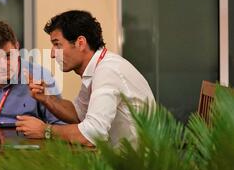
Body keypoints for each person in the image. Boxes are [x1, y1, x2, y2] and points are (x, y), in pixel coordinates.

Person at [16, 10, 155, 148]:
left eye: (57, 44)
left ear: (80, 43)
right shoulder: (96, 67)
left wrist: (45, 130)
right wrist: (46, 98)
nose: (52, 54)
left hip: (140, 166)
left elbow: (93, 134)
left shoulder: (107, 71)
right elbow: (78, 114)